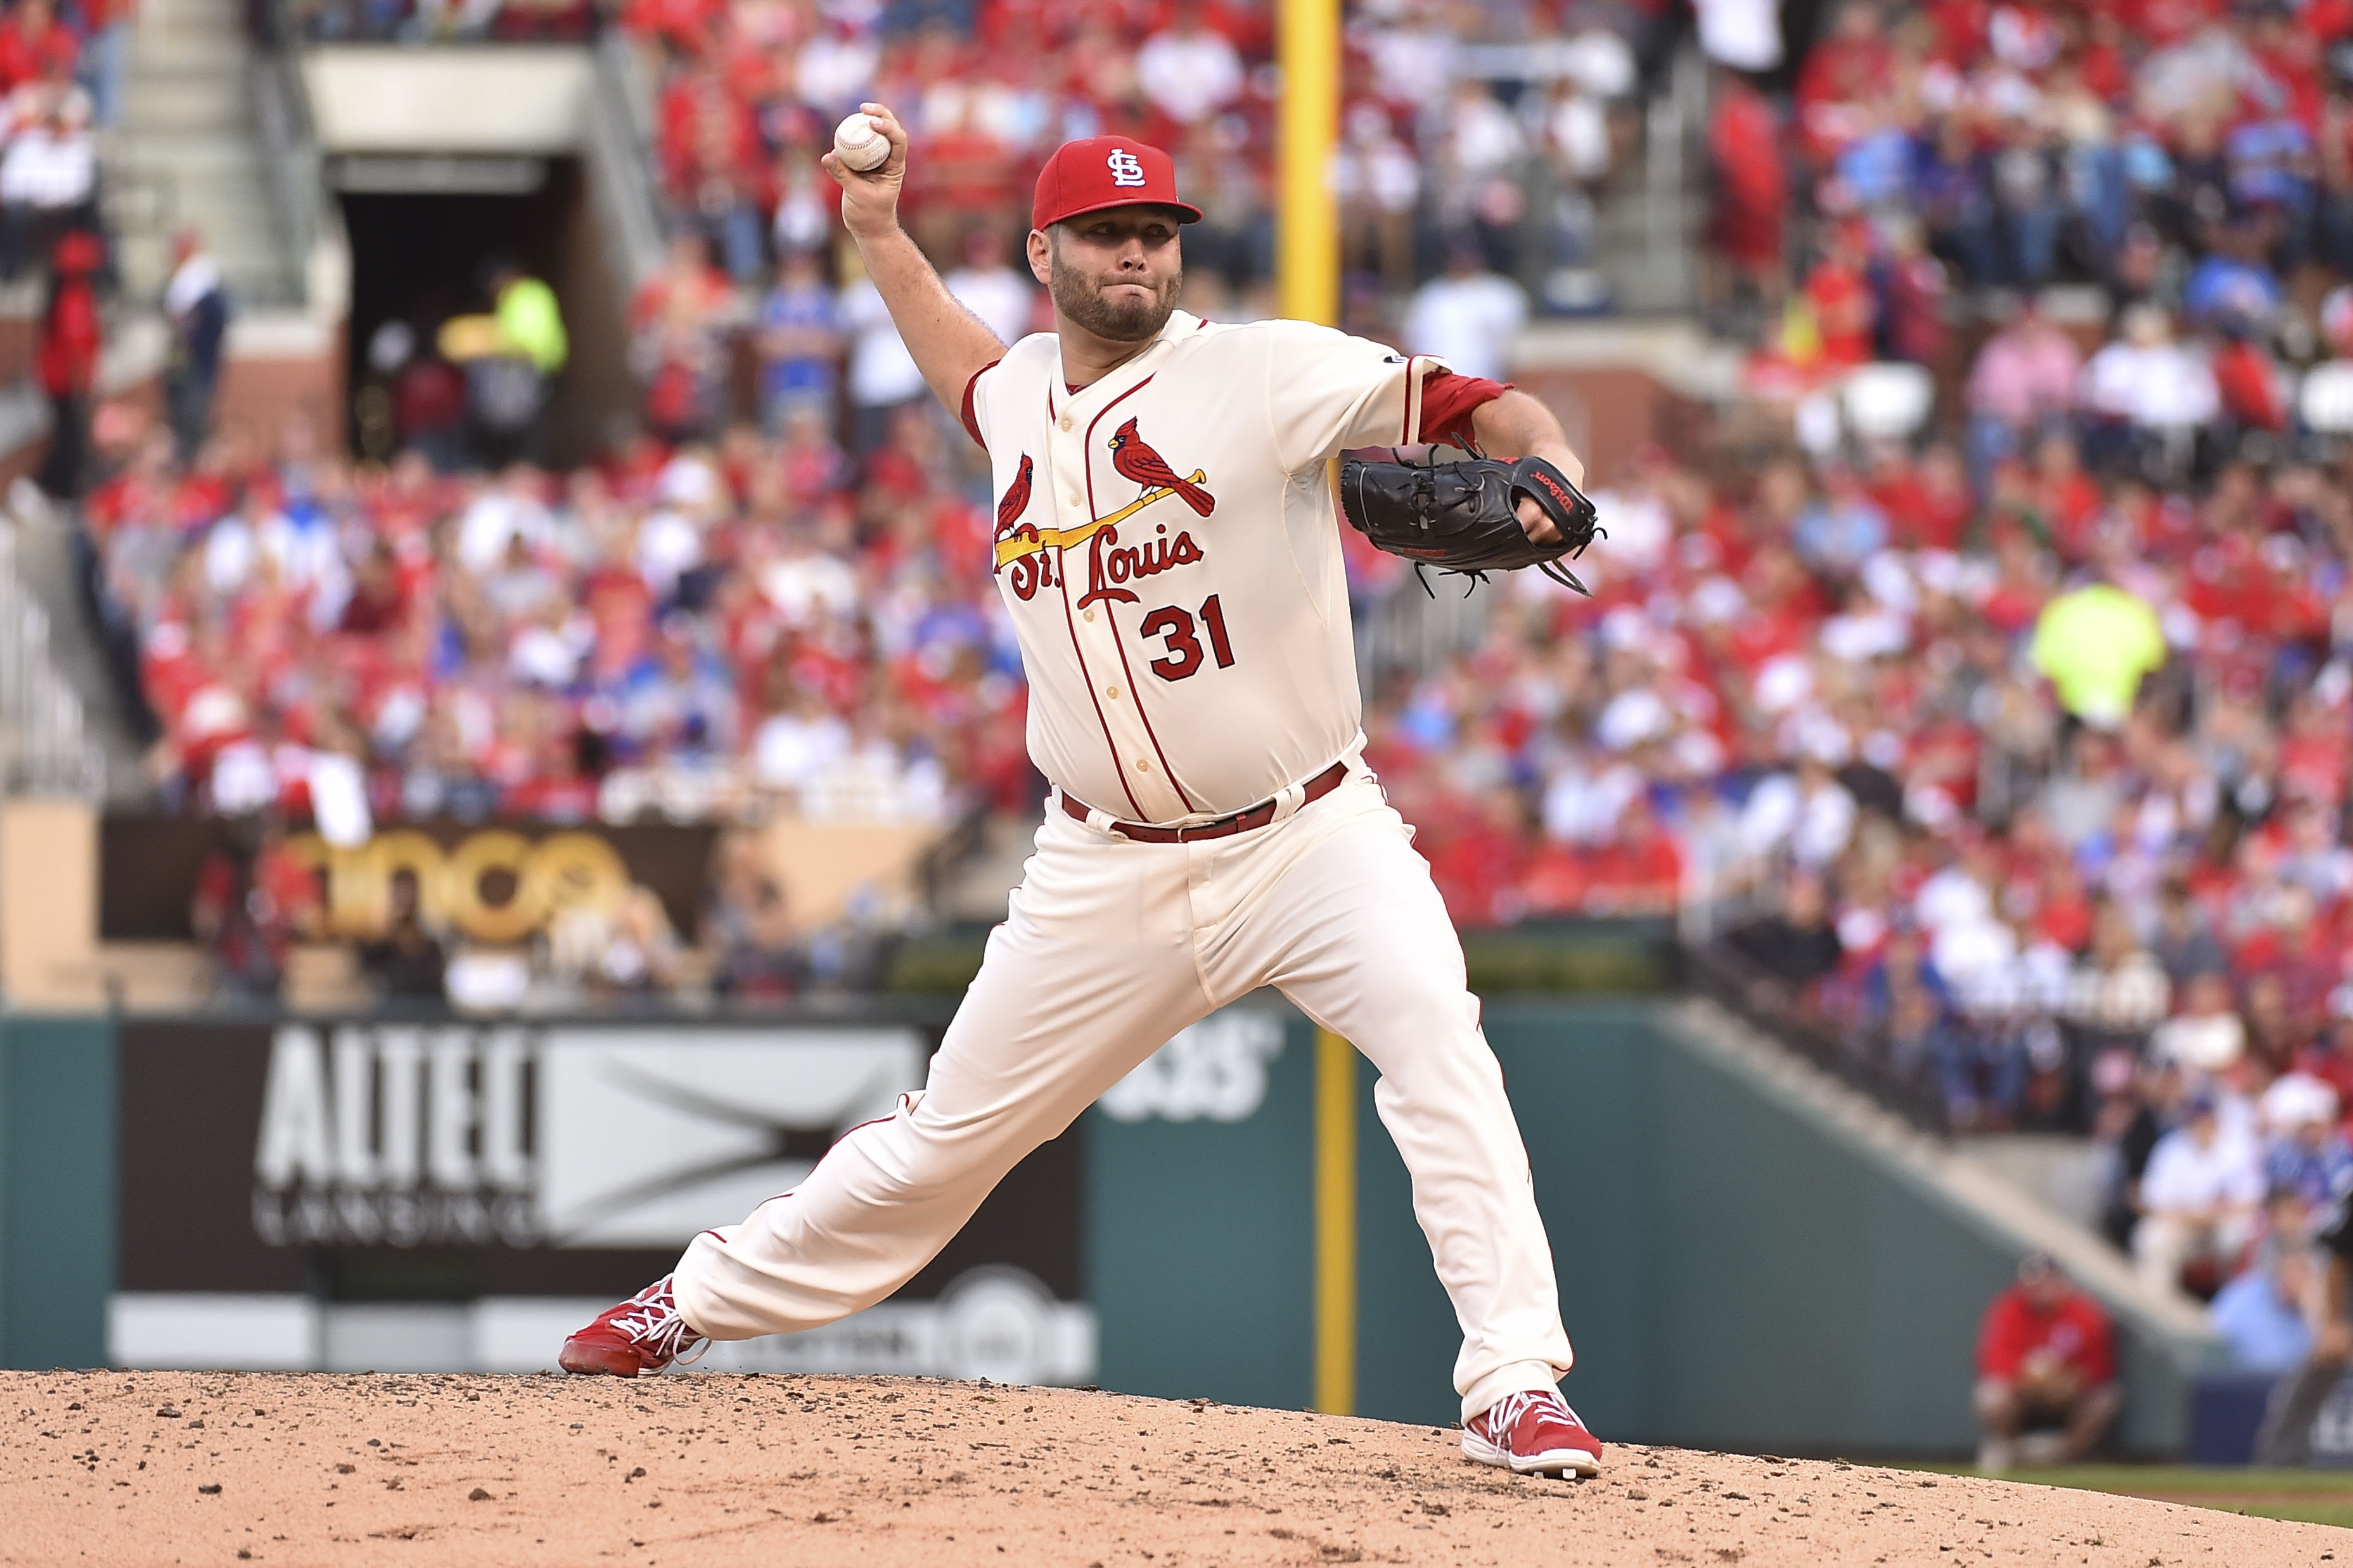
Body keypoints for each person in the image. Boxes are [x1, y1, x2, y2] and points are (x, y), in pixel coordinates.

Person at [560, 110, 1606, 1481]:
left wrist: (1554, 470)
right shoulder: (1015, 404)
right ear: (1044, 249)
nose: (1136, 256)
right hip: (1100, 870)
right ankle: (691, 1300)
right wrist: (878, 237)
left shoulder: (1260, 371)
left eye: (1156, 233)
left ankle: (1513, 1379)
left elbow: (1482, 409)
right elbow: (964, 367)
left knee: (1436, 1046)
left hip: (1309, 838)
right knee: (947, 1140)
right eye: (1109, 234)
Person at [1973, 1252, 2120, 1471]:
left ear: (2061, 1281)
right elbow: (1991, 1359)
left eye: (2046, 1282)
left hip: (2067, 1395)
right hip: (2022, 1393)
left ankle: (2064, 1457)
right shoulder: (2009, 1309)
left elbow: (2102, 1366)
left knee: (2106, 1400)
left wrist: (2069, 1378)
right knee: (1991, 1396)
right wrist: (2025, 1374)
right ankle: (2011, 1451)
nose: (2040, 1289)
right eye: (2033, 1283)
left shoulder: (2083, 1312)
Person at [2132, 1092, 2264, 1296]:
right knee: (2151, 1237)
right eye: (2197, 1118)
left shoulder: (2237, 1148)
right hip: (2184, 1225)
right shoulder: (2173, 1148)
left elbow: (2252, 1201)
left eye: (2207, 1118)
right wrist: (2195, 1217)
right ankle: (2156, 1303)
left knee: (2238, 1236)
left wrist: (2215, 1214)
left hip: (2220, 1224)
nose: (2202, 1124)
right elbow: (2153, 1204)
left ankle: (2227, 1310)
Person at [1402, 240, 1529, 385]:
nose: (1463, 262)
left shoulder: (1501, 294)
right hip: (1439, 384)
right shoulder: (1431, 296)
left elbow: (1512, 347)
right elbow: (1412, 340)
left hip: (1486, 382)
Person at [35, 227, 99, 500]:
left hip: (61, 379)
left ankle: (60, 493)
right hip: (63, 382)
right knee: (70, 440)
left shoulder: (73, 293)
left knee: (70, 438)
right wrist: (81, 386)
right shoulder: (71, 297)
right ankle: (44, 489)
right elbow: (76, 348)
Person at [162, 226, 229, 462]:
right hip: (182, 366)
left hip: (197, 366)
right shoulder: (180, 281)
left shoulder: (205, 284)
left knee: (193, 423)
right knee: (179, 422)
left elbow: (211, 324)